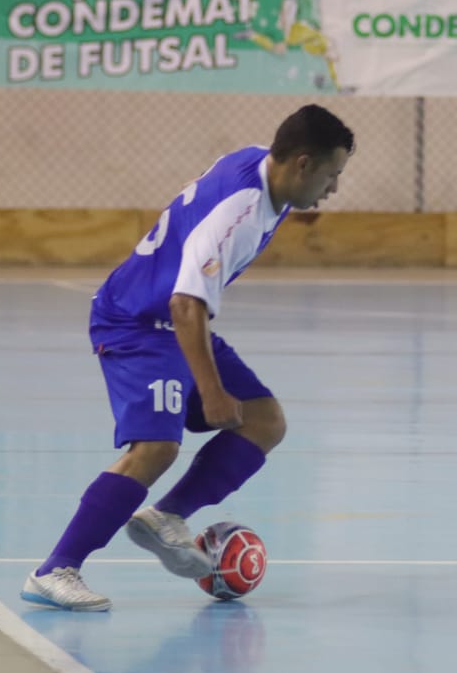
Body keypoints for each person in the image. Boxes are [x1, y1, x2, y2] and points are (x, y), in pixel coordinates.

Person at [22, 104, 354, 612]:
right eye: (333, 174)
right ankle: (55, 571)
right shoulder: (240, 213)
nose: (334, 188)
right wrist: (213, 390)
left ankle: (164, 518)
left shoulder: (260, 165)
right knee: (156, 447)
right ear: (303, 164)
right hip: (139, 320)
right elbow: (185, 303)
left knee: (264, 420)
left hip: (172, 318)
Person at [236, 0, 353, 94]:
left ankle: (323, 79)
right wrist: (285, 33)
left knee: (309, 52)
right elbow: (287, 8)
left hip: (313, 31)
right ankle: (331, 84)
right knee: (328, 47)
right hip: (302, 28)